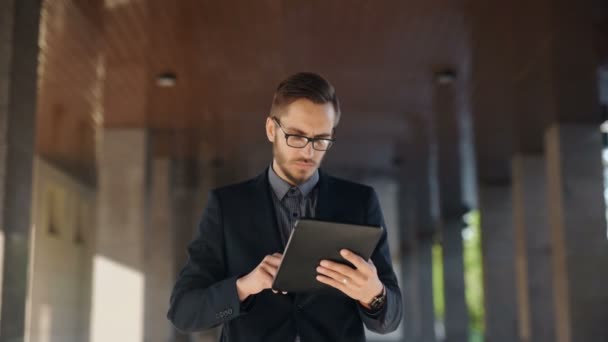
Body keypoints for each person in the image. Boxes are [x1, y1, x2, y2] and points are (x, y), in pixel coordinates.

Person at [167, 72, 403, 341]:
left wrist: (373, 295)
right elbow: (183, 312)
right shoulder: (227, 207)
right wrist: (244, 287)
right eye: (296, 136)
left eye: (321, 139)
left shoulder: (360, 202)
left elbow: (391, 319)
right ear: (271, 129)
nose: (308, 152)